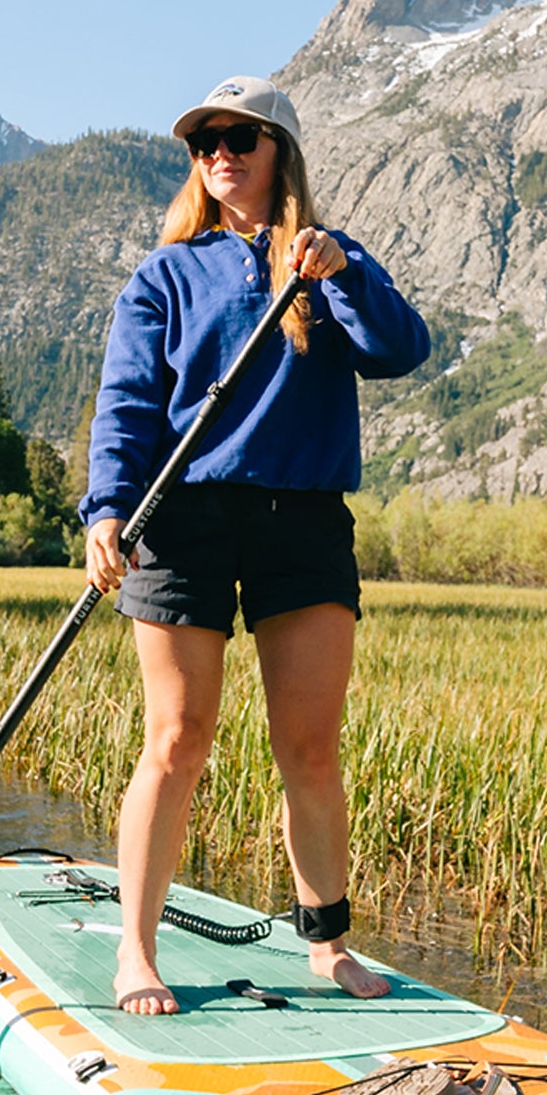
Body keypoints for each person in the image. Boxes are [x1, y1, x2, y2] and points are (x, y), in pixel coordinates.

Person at [81, 76, 430, 1015]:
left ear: (282, 150)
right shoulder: (163, 276)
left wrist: (340, 274)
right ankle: (136, 954)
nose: (221, 154)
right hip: (182, 517)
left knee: (309, 749)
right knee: (177, 737)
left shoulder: (331, 259)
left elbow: (403, 349)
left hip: (303, 519)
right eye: (205, 144)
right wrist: (105, 512)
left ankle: (327, 947)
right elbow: (125, 406)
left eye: (240, 137)